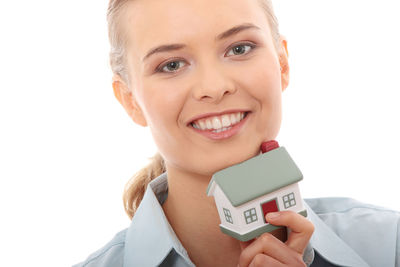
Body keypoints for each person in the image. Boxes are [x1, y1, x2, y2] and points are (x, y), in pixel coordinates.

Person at [74, 0, 400, 266]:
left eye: (240, 49)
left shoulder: (390, 245)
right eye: (171, 65)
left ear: (282, 65)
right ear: (131, 101)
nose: (215, 88)